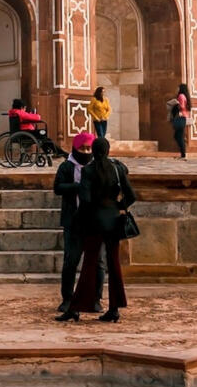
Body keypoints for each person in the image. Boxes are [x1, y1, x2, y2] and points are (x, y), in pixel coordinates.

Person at [67, 137, 136, 324]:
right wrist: (117, 206)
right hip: (113, 220)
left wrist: (80, 220)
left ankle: (76, 308)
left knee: (89, 264)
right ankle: (114, 308)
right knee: (114, 264)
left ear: (93, 151)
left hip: (94, 221)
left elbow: (85, 199)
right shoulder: (117, 169)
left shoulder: (88, 170)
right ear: (107, 151)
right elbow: (131, 195)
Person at [53, 131, 106, 322]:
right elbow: (58, 187)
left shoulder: (97, 166)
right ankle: (67, 299)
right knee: (71, 261)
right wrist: (77, 186)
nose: (85, 152)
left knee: (98, 262)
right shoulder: (66, 167)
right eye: (82, 148)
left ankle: (95, 298)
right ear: (75, 148)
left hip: (94, 222)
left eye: (89, 148)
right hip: (73, 221)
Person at [173, 83, 192, 159]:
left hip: (180, 117)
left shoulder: (181, 96)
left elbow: (182, 106)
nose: (177, 89)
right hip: (183, 117)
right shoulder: (185, 96)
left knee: (178, 136)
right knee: (179, 136)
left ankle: (183, 154)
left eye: (178, 88)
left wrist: (175, 105)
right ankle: (183, 154)